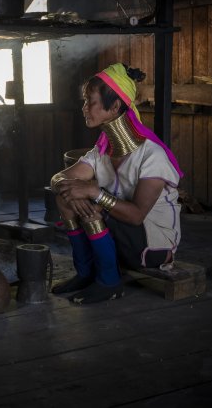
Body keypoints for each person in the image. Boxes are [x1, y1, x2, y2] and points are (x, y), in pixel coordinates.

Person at [50, 63, 184, 304]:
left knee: (92, 205)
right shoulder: (101, 151)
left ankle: (109, 282)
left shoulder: (152, 156)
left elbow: (136, 216)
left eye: (90, 102)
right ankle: (86, 273)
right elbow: (59, 179)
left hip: (153, 247)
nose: (84, 108)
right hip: (121, 235)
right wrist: (71, 188)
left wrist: (94, 192)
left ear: (114, 107)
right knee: (65, 196)